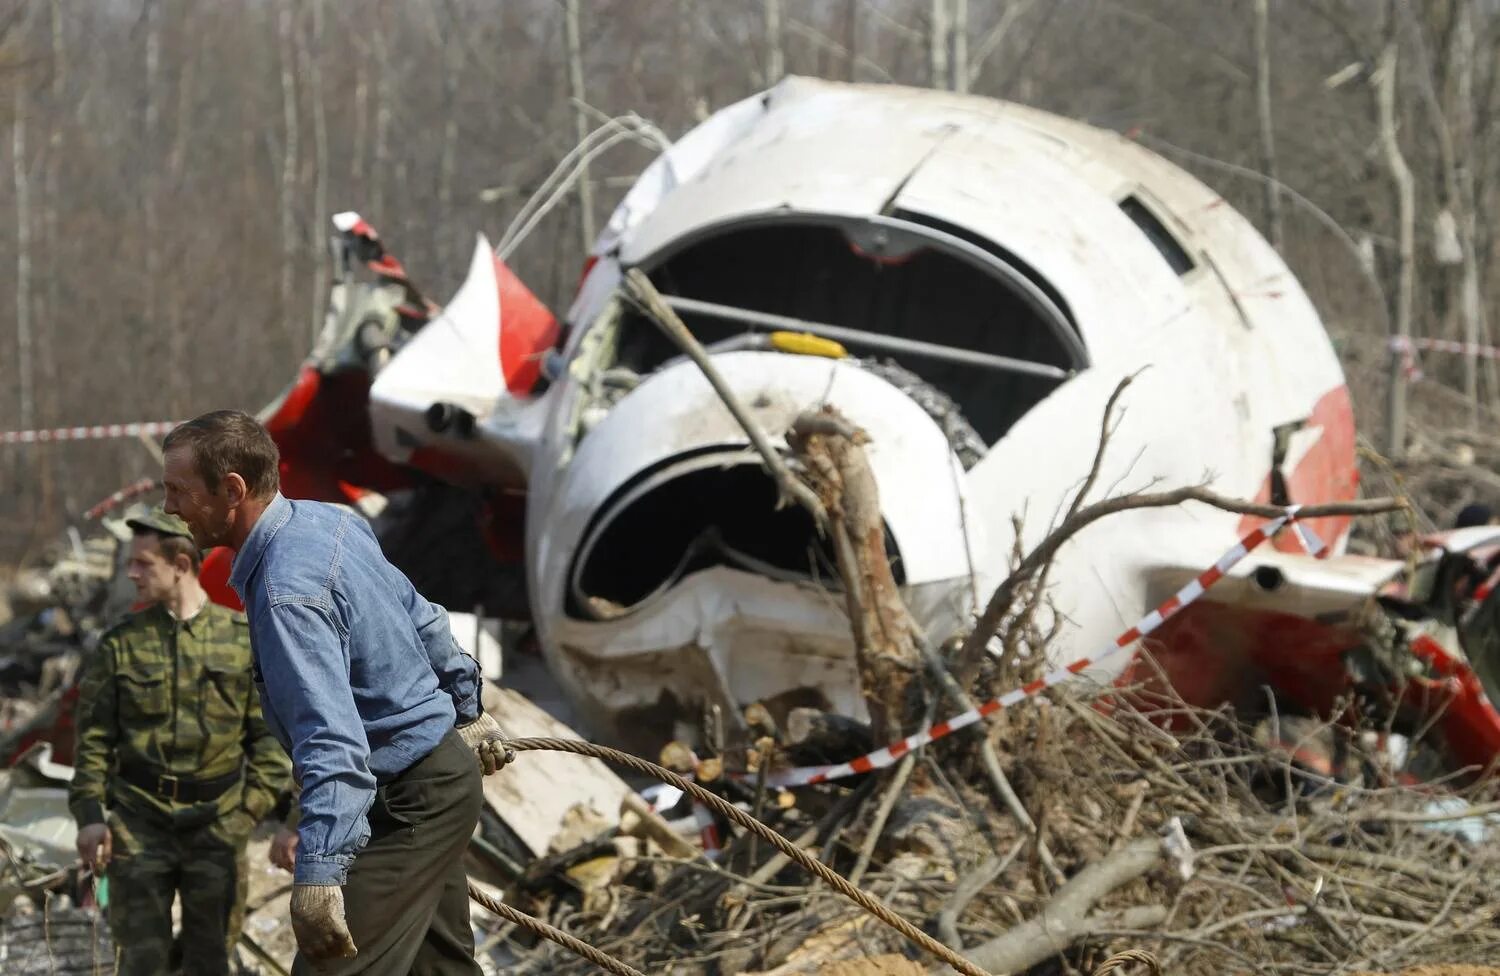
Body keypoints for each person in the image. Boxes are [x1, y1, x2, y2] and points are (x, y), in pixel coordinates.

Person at [161, 409, 511, 974]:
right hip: (435, 780)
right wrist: (467, 708)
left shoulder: (286, 594)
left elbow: (332, 742)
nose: (168, 507)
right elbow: (422, 619)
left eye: (178, 490)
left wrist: (319, 874)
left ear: (232, 489)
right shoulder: (331, 523)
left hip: (407, 802)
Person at [69, 507, 292, 975]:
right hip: (138, 825)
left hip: (216, 825)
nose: (132, 574)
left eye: (144, 564)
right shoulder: (120, 645)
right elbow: (92, 738)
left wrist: (245, 814)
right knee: (140, 962)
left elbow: (270, 741)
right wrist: (90, 817)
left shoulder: (241, 641)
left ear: (181, 565)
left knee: (209, 960)